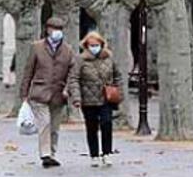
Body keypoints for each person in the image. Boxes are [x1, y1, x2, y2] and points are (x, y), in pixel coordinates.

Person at [19, 16, 76, 168]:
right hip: (39, 92)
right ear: (48, 29)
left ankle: (52, 152)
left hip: (58, 94)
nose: (57, 32)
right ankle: (45, 154)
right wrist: (24, 93)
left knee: (55, 126)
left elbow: (72, 72)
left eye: (60, 29)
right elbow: (28, 70)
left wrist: (67, 89)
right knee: (45, 122)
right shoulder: (37, 47)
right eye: (54, 29)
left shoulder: (68, 50)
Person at [68, 31, 123, 167]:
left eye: (97, 44)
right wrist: (76, 97)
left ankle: (107, 153)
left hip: (106, 97)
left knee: (106, 123)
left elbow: (118, 75)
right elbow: (74, 79)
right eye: (91, 45)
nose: (94, 47)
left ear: (102, 44)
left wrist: (118, 90)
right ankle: (94, 154)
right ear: (86, 45)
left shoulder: (109, 58)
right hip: (88, 99)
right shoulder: (80, 60)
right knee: (91, 126)